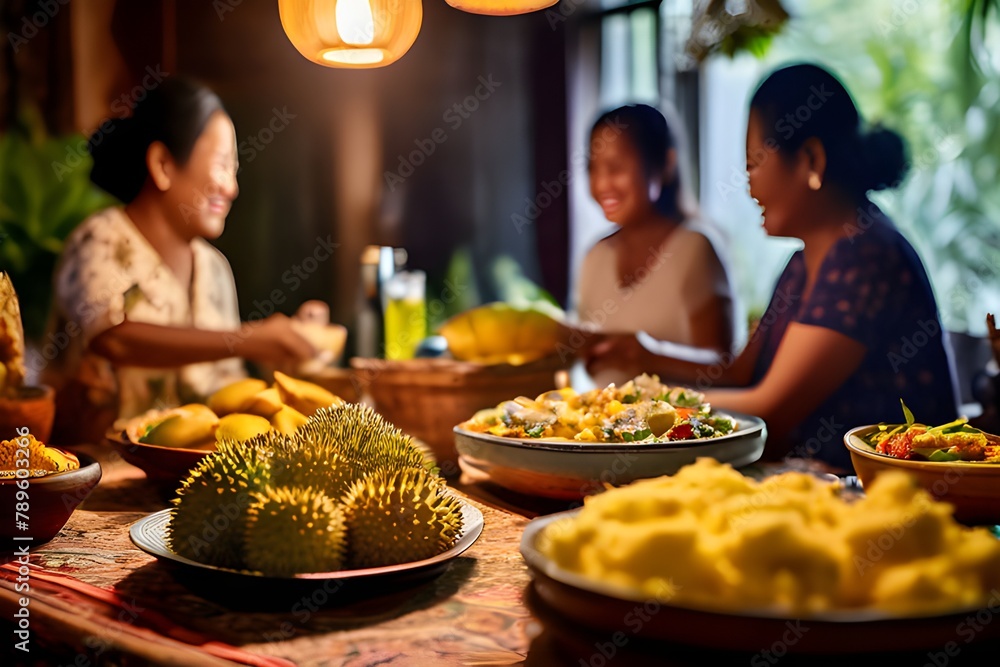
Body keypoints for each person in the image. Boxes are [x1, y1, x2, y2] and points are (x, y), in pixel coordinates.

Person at [582, 64, 960, 471]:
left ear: (810, 159)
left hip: (883, 498)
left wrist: (639, 404)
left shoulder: (864, 256)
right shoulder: (802, 264)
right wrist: (645, 356)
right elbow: (741, 375)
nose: (750, 186)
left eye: (753, 164)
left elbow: (769, 407)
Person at [42, 77, 318, 444]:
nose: (231, 187)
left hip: (191, 482)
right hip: (97, 479)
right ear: (163, 165)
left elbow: (226, 388)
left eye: (234, 170)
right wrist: (249, 339)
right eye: (221, 165)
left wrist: (284, 350)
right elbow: (114, 339)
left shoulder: (215, 269)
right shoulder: (100, 239)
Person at [574, 103, 736, 388]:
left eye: (615, 167)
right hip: (599, 429)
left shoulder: (694, 249)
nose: (601, 183)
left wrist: (649, 356)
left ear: (665, 164)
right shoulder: (594, 257)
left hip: (683, 429)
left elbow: (726, 369)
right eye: (593, 168)